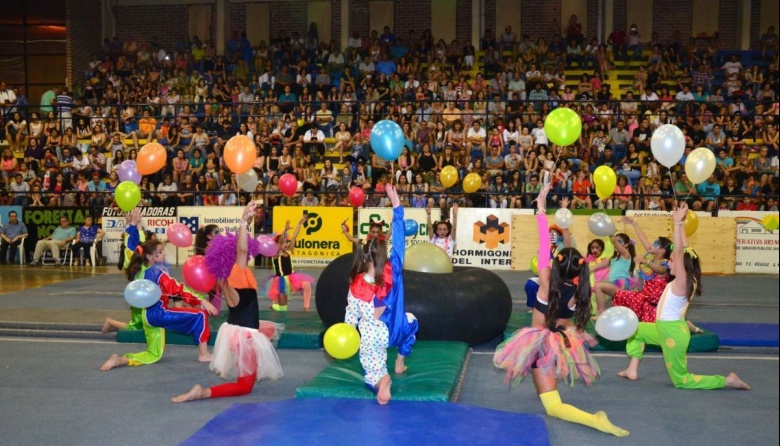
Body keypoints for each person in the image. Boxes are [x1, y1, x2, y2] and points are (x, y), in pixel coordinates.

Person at [494, 183, 629, 437]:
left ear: (555, 265)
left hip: (540, 343)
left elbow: (545, 243)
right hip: (561, 341)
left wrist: (542, 210)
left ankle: (596, 420)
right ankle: (547, 384)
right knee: (541, 378)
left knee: (553, 406)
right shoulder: (580, 292)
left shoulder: (546, 282)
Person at [617, 203, 751, 391]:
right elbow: (685, 250)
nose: (668, 262)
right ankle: (632, 369)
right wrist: (679, 227)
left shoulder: (682, 281)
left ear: (682, 266)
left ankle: (726, 380)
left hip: (672, 333)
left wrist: (678, 224)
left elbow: (679, 253)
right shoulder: (688, 277)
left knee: (682, 380)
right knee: (634, 330)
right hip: (663, 328)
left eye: (671, 261)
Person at [172, 202, 284, 403]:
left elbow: (243, 248)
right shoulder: (235, 272)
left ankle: (248, 364)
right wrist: (242, 221)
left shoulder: (226, 276)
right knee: (244, 386)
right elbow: (242, 250)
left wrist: (247, 224)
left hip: (236, 329)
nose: (245, 253)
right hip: (244, 336)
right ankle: (203, 392)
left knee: (270, 331)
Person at [100, 209, 218, 371]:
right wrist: (202, 301)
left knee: (154, 354)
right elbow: (178, 288)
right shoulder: (157, 273)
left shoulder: (138, 267)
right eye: (159, 253)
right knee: (199, 315)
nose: (163, 255)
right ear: (149, 256)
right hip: (158, 314)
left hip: (146, 315)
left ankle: (120, 360)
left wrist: (133, 225)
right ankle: (204, 354)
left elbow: (131, 246)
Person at [344, 184, 418, 405]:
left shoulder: (356, 284)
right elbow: (400, 242)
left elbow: (351, 315)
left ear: (364, 259)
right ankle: (399, 362)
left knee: (371, 373)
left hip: (370, 337)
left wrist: (347, 332)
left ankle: (382, 380)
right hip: (395, 331)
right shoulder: (393, 268)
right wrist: (397, 207)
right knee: (413, 322)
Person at [265, 215, 314, 311]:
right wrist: (285, 231)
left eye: (287, 242)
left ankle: (306, 308)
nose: (286, 243)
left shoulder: (289, 252)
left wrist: (299, 224)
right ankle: (275, 306)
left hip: (292, 280)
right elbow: (279, 243)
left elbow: (294, 237)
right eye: (284, 242)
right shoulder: (275, 255)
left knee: (306, 285)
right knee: (283, 309)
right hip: (281, 282)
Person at [593, 233, 636, 315]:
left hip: (622, 285)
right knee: (609, 304)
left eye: (620, 241)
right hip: (613, 284)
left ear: (626, 245)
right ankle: (604, 312)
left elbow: (615, 243)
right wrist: (586, 270)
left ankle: (601, 313)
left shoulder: (626, 255)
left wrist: (611, 235)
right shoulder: (613, 258)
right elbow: (597, 266)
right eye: (616, 241)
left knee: (598, 286)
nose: (616, 243)